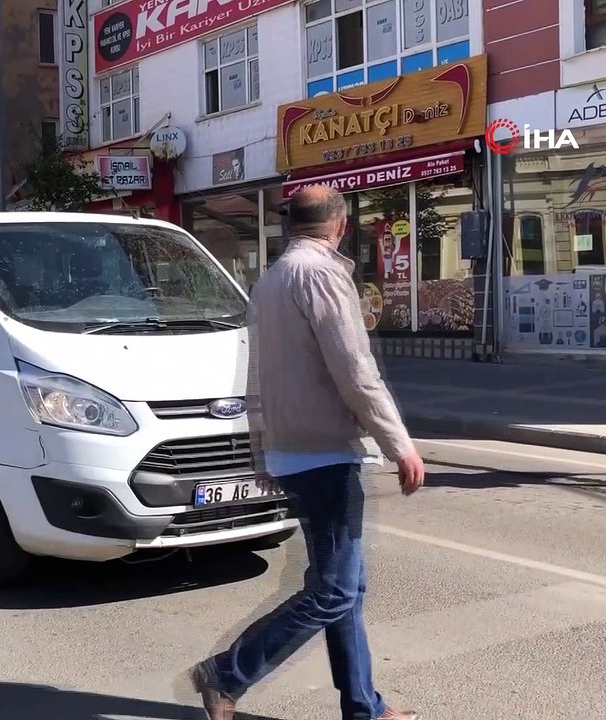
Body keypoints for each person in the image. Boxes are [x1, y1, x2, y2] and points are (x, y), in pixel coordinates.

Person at [188, 185, 427, 720]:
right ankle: (227, 674)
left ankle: (364, 708)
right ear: (338, 224)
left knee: (345, 589)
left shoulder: (271, 280)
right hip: (323, 456)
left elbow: (257, 378)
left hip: (295, 452)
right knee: (334, 593)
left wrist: (263, 449)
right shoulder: (320, 275)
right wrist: (400, 445)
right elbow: (356, 373)